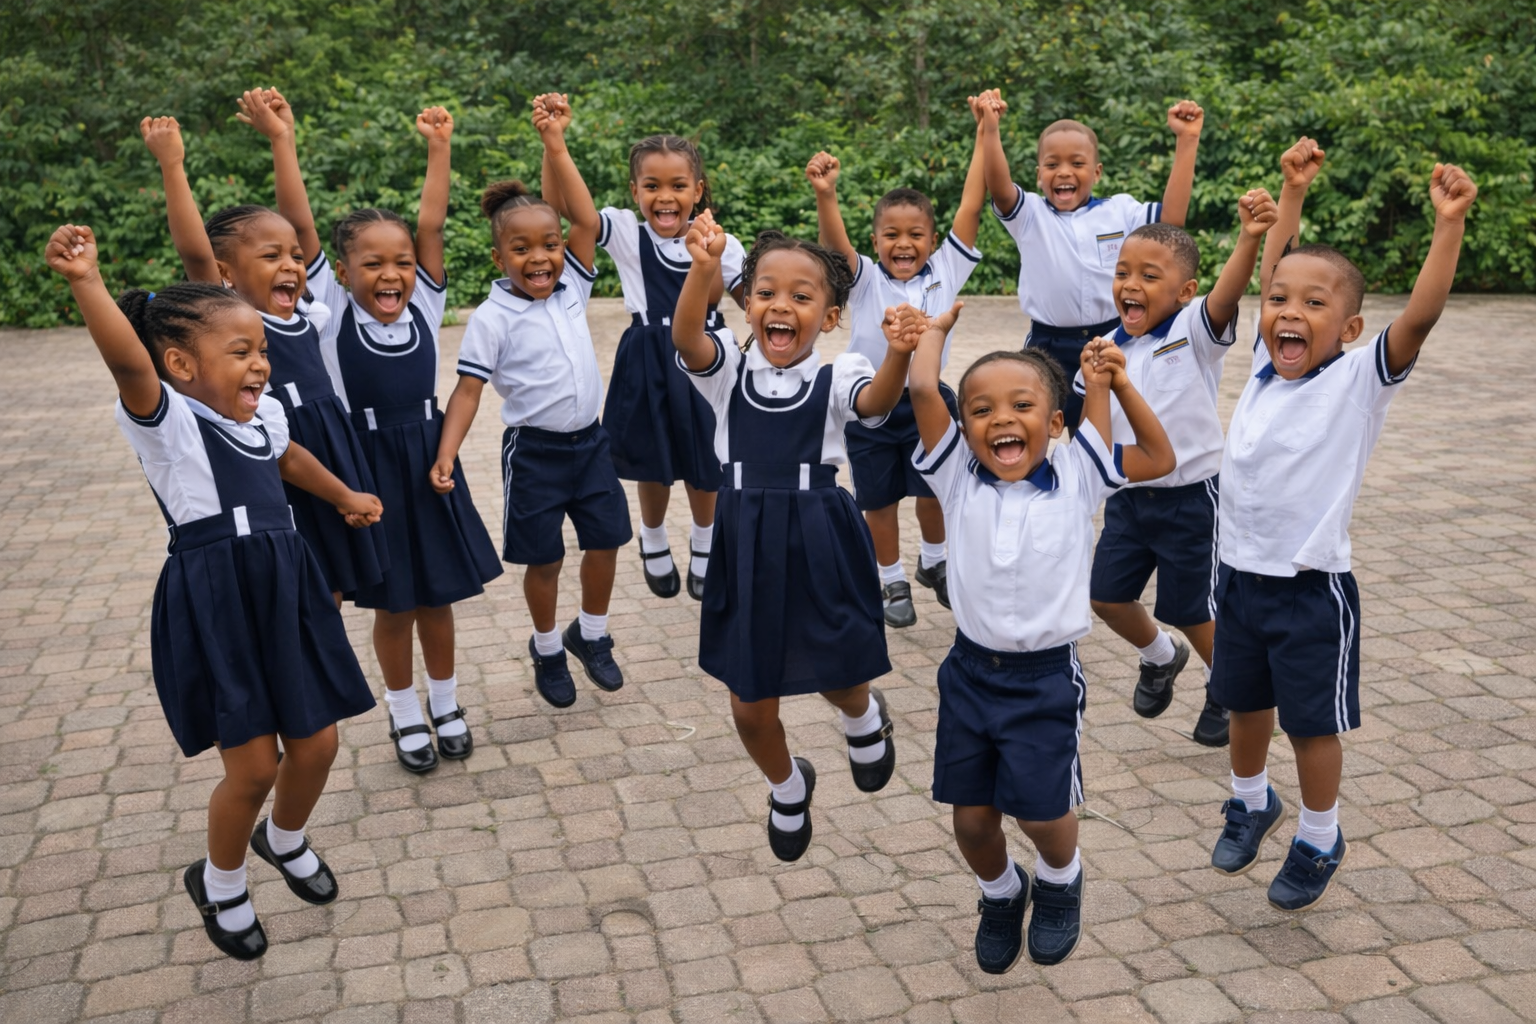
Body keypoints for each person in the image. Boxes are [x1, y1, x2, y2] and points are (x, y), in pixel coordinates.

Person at [44, 225, 383, 960]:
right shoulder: (168, 422)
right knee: (256, 765)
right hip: (219, 595)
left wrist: (345, 494)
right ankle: (221, 880)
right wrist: (86, 283)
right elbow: (128, 366)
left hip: (287, 583)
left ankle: (283, 839)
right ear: (179, 364)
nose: (260, 363)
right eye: (241, 352)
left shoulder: (261, 414)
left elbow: (287, 456)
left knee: (319, 743)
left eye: (261, 349)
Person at [1208, 150, 1477, 911]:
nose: (1290, 311)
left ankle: (1320, 835)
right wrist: (1290, 194)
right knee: (1241, 702)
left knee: (1309, 723)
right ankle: (1249, 799)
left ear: (1350, 327)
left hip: (1309, 590)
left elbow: (1419, 316)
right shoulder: (1266, 363)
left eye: (1314, 305)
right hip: (1238, 577)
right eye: (1281, 303)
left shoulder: (1360, 380)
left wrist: (1447, 227)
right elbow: (1273, 278)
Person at [907, 303, 1174, 971]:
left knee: (1041, 814)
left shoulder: (1079, 471)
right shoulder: (954, 478)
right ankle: (1000, 893)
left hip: (1045, 679)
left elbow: (1160, 455)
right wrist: (930, 333)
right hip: (969, 673)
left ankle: (1060, 877)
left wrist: (1115, 384)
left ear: (1056, 423)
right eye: (980, 410)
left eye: (1022, 405)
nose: (1001, 418)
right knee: (971, 819)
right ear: (963, 429)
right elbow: (920, 388)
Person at [257, 95, 503, 775]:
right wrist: (283, 139)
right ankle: (403, 713)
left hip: (428, 458)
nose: (390, 273)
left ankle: (447, 703)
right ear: (338, 273)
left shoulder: (424, 298)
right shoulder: (328, 309)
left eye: (400, 262)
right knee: (394, 603)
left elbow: (431, 221)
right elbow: (299, 223)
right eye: (371, 264)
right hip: (363, 464)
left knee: (439, 597)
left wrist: (439, 147)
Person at [671, 211, 913, 862]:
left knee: (838, 672)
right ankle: (786, 785)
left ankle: (862, 716)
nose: (781, 305)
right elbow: (686, 334)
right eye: (766, 292)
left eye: (802, 297)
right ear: (747, 304)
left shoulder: (840, 374)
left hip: (820, 531)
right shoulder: (727, 372)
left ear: (829, 319)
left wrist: (901, 351)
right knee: (750, 705)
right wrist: (704, 265)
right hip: (745, 540)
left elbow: (877, 404)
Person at [433, 94, 632, 710]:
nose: (540, 257)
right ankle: (546, 646)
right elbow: (468, 390)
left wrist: (556, 142)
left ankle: (589, 635)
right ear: (499, 258)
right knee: (543, 558)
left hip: (591, 444)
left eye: (548, 245)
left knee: (606, 542)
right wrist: (446, 454)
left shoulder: (572, 281)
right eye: (522, 250)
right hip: (536, 454)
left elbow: (583, 220)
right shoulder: (492, 318)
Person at [140, 105, 388, 600]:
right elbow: (194, 251)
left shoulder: (305, 313)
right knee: (304, 586)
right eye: (271, 256)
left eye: (295, 256)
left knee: (332, 584)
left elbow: (299, 221)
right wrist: (172, 165)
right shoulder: (229, 310)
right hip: (282, 462)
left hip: (329, 452)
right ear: (225, 272)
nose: (292, 265)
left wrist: (282, 138)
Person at [1078, 187, 1279, 746]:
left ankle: (1228, 687)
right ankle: (1161, 657)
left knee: (1195, 610)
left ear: (1184, 291)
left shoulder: (1193, 331)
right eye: (1123, 272)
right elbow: (1093, 430)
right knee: (1106, 597)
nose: (1130, 285)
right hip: (1129, 498)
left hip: (1192, 499)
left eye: (1148, 275)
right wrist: (1092, 380)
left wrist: (1249, 238)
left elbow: (1226, 296)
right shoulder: (1107, 346)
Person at [802, 91, 987, 627]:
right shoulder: (862, 279)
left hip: (929, 400)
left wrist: (984, 132)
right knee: (877, 502)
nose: (902, 244)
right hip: (873, 408)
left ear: (933, 240)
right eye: (891, 235)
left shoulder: (947, 270)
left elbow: (971, 205)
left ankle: (935, 562)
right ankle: (891, 581)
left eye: (915, 235)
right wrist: (826, 194)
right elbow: (834, 247)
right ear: (875, 240)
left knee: (936, 486)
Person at [542, 118, 744, 600]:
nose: (665, 197)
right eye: (652, 186)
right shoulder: (627, 234)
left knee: (708, 458)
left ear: (697, 190)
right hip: (648, 357)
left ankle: (705, 540)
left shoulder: (723, 242)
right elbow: (567, 210)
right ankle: (652, 537)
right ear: (635, 191)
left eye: (678, 185)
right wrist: (555, 144)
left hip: (708, 361)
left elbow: (749, 298)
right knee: (653, 462)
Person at [979, 90, 1204, 432]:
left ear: (1097, 171)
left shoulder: (1121, 211)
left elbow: (1170, 224)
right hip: (1047, 346)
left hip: (1110, 339)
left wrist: (1187, 141)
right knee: (1033, 427)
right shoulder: (1029, 214)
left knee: (1104, 432)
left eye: (1077, 163)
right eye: (1052, 164)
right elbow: (998, 186)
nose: (1064, 172)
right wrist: (990, 129)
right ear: (1039, 174)